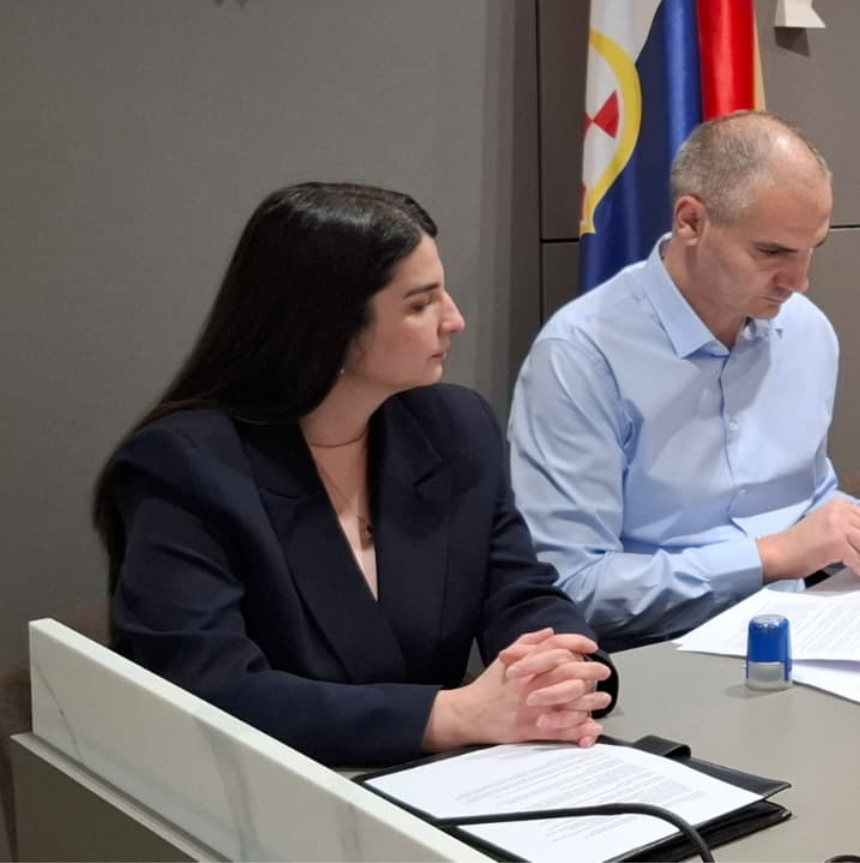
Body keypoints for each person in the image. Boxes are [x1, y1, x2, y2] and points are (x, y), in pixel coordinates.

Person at [95, 183, 615, 768]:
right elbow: (210, 687)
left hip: (451, 777)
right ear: (329, 328)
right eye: (420, 304)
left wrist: (562, 668)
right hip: (277, 785)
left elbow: (518, 588)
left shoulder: (454, 425)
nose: (454, 320)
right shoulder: (184, 465)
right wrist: (448, 716)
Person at [509, 111, 860, 648]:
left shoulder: (805, 332)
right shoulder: (582, 356)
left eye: (813, 250)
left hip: (803, 632)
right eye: (771, 252)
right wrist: (769, 557)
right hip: (654, 657)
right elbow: (572, 585)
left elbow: (805, 499)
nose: (799, 281)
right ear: (691, 222)